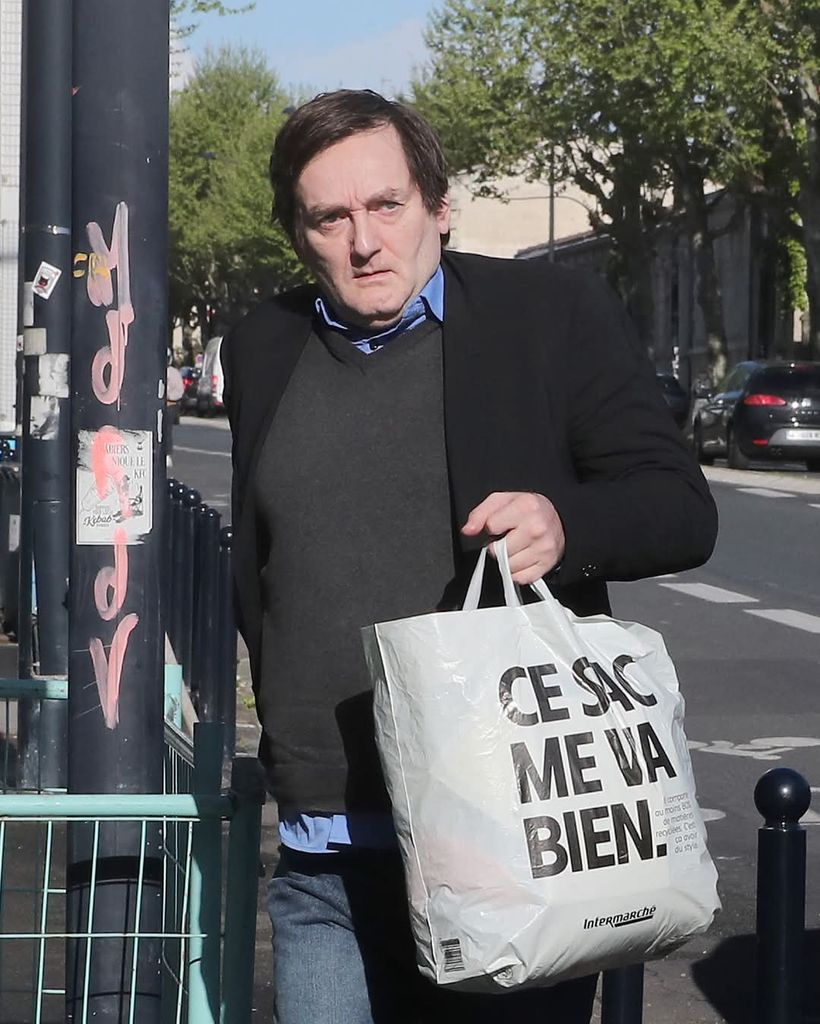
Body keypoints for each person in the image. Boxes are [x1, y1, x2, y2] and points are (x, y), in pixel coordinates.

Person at [221, 89, 718, 1024]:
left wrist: (566, 528)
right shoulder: (261, 345)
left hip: (511, 843)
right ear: (298, 233)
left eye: (387, 205)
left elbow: (681, 508)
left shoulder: (548, 315)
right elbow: (264, 564)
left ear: (439, 206)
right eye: (330, 218)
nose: (364, 241)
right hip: (327, 853)